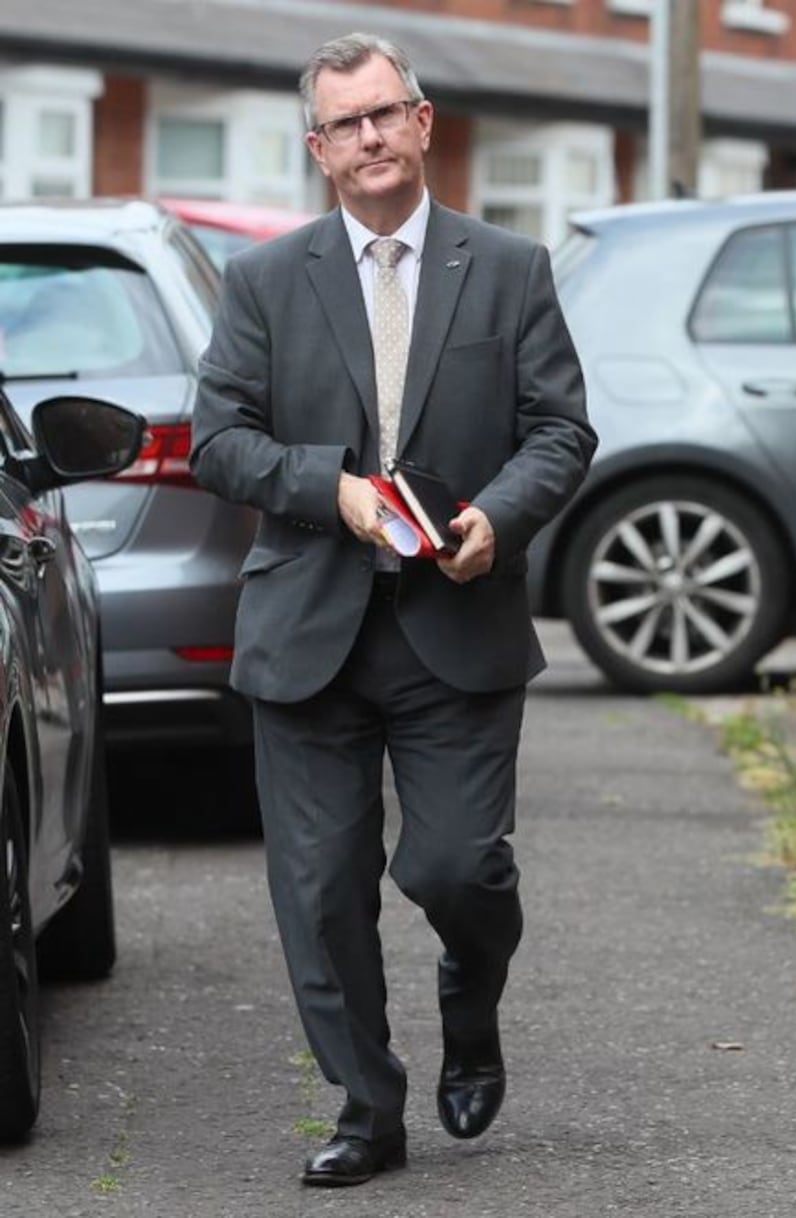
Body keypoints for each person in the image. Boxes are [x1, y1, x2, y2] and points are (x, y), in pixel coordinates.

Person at [191, 31, 596, 1188]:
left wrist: (496, 523)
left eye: (386, 113)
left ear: (423, 124)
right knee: (319, 896)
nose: (369, 136)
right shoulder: (267, 280)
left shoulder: (507, 268)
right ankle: (369, 1109)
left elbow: (559, 432)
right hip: (307, 629)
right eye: (345, 123)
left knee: (456, 869)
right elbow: (219, 443)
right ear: (319, 151)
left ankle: (469, 1008)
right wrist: (332, 490)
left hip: (454, 627)